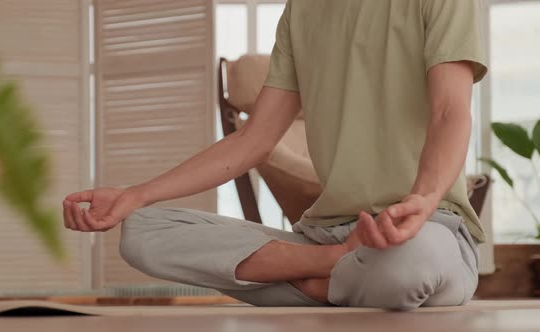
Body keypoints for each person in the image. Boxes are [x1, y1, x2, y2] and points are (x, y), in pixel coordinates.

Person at [62, 0, 488, 310]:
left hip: (427, 230)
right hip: (325, 237)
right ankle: (333, 266)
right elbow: (254, 141)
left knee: (412, 267)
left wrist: (424, 199)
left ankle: (314, 285)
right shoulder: (302, 11)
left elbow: (450, 111)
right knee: (143, 232)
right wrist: (135, 195)